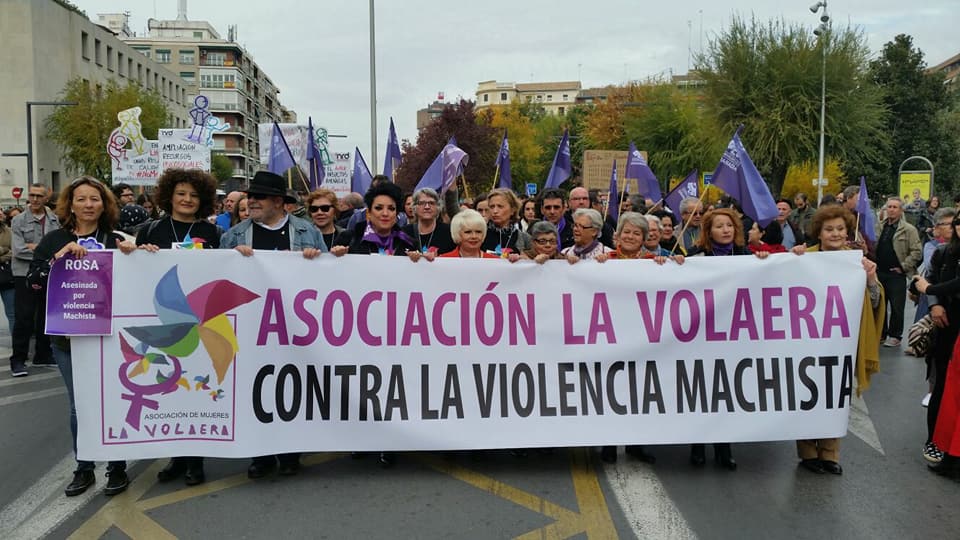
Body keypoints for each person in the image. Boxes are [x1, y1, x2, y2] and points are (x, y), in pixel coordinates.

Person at [29, 176, 136, 496]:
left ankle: (116, 466)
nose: (89, 205)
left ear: (105, 204)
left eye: (95, 199)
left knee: (111, 402)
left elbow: (140, 281)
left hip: (111, 339)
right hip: (68, 340)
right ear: (70, 205)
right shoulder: (53, 240)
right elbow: (34, 283)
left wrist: (138, 254)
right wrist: (58, 258)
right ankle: (84, 466)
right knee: (80, 405)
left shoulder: (116, 238)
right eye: (82, 199)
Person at [221, 170, 325, 478]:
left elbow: (327, 278)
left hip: (294, 325)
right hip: (252, 326)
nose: (251, 201)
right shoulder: (235, 236)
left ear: (279, 202)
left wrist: (315, 259)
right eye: (250, 196)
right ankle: (261, 454)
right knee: (255, 387)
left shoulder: (307, 232)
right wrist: (231, 258)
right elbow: (218, 277)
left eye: (258, 197)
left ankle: (290, 451)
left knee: (292, 386)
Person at [131, 169, 221, 486]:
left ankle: (195, 462)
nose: (187, 200)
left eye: (194, 195)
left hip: (198, 322)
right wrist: (140, 254)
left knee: (193, 389)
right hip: (161, 321)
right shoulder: (150, 230)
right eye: (181, 193)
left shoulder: (211, 234)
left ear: (203, 201)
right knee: (170, 388)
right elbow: (134, 272)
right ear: (169, 195)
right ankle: (176, 458)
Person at [791, 206, 884, 475]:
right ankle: (808, 452)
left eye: (840, 229)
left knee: (836, 396)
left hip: (840, 342)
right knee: (807, 395)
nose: (835, 234)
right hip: (806, 341)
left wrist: (871, 280)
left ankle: (830, 453)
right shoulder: (802, 257)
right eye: (829, 229)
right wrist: (792, 258)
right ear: (818, 232)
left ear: (847, 232)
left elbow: (875, 302)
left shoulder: (858, 262)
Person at [688, 208, 770, 470]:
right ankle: (697, 446)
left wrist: (765, 260)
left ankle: (724, 448)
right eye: (719, 226)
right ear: (708, 231)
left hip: (734, 337)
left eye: (729, 226)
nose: (725, 230)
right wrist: (676, 265)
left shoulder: (747, 256)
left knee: (726, 393)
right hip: (701, 336)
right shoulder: (696, 257)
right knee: (701, 393)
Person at [10, 183, 60, 376]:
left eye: (40, 195)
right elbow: (19, 250)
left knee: (45, 316)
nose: (35, 199)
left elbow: (59, 247)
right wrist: (47, 252)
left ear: (47, 198)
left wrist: (35, 248)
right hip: (24, 274)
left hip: (49, 273)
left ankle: (43, 354)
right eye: (32, 195)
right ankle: (18, 360)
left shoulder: (56, 220)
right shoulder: (19, 220)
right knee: (24, 318)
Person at [876, 197, 922, 348]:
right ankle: (881, 334)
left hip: (896, 275)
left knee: (896, 307)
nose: (891, 209)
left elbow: (916, 252)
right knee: (880, 305)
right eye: (889, 207)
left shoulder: (909, 229)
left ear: (901, 210)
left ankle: (895, 335)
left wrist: (903, 267)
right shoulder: (881, 227)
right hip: (879, 272)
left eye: (895, 207)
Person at [403, 187, 454, 255]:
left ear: (438, 207)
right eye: (422, 203)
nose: (427, 207)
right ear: (414, 207)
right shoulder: (404, 233)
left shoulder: (449, 232)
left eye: (431, 203)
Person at [482, 188, 531, 256]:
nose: (495, 211)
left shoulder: (525, 238)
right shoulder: (480, 234)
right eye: (492, 207)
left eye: (500, 206)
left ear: (512, 210)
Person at [0, 214, 14, 337]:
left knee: (12, 313)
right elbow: (8, 251)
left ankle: (17, 346)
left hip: (6, 278)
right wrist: (3, 249)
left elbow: (14, 252)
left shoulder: (8, 231)